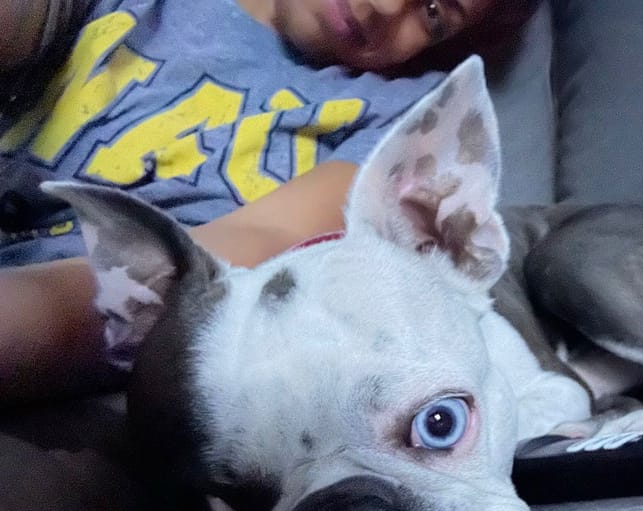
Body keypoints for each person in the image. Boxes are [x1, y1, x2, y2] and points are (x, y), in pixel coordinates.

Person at [0, 0, 537, 404]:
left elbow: (247, 251)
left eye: (435, 13)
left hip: (87, 340)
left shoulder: (399, 112)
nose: (387, 7)